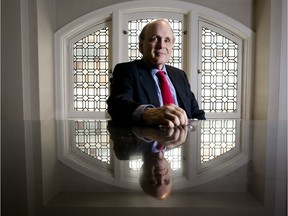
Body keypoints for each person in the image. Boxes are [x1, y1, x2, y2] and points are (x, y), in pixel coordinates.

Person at [107, 19, 205, 128]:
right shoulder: (126, 70)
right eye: (155, 39)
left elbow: (196, 113)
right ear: (141, 46)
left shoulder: (179, 75)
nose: (161, 45)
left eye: (167, 40)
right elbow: (117, 105)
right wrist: (149, 113)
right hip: (146, 142)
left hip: (181, 141)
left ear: (172, 47)